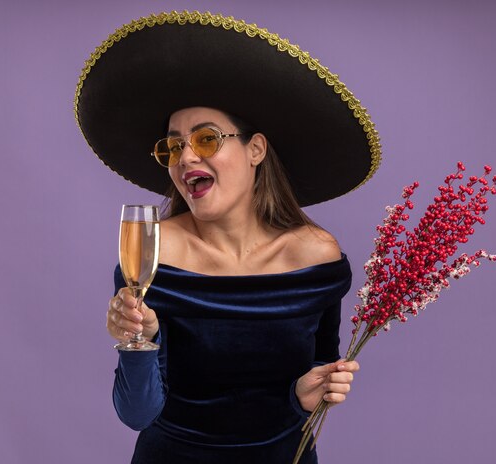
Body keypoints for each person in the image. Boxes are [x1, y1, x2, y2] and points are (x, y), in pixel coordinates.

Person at [76, 11, 381, 464]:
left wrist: (305, 394)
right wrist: (139, 345)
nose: (183, 158)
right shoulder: (155, 251)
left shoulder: (316, 254)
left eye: (205, 140)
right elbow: (138, 414)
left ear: (255, 149)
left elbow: (315, 378)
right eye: (174, 146)